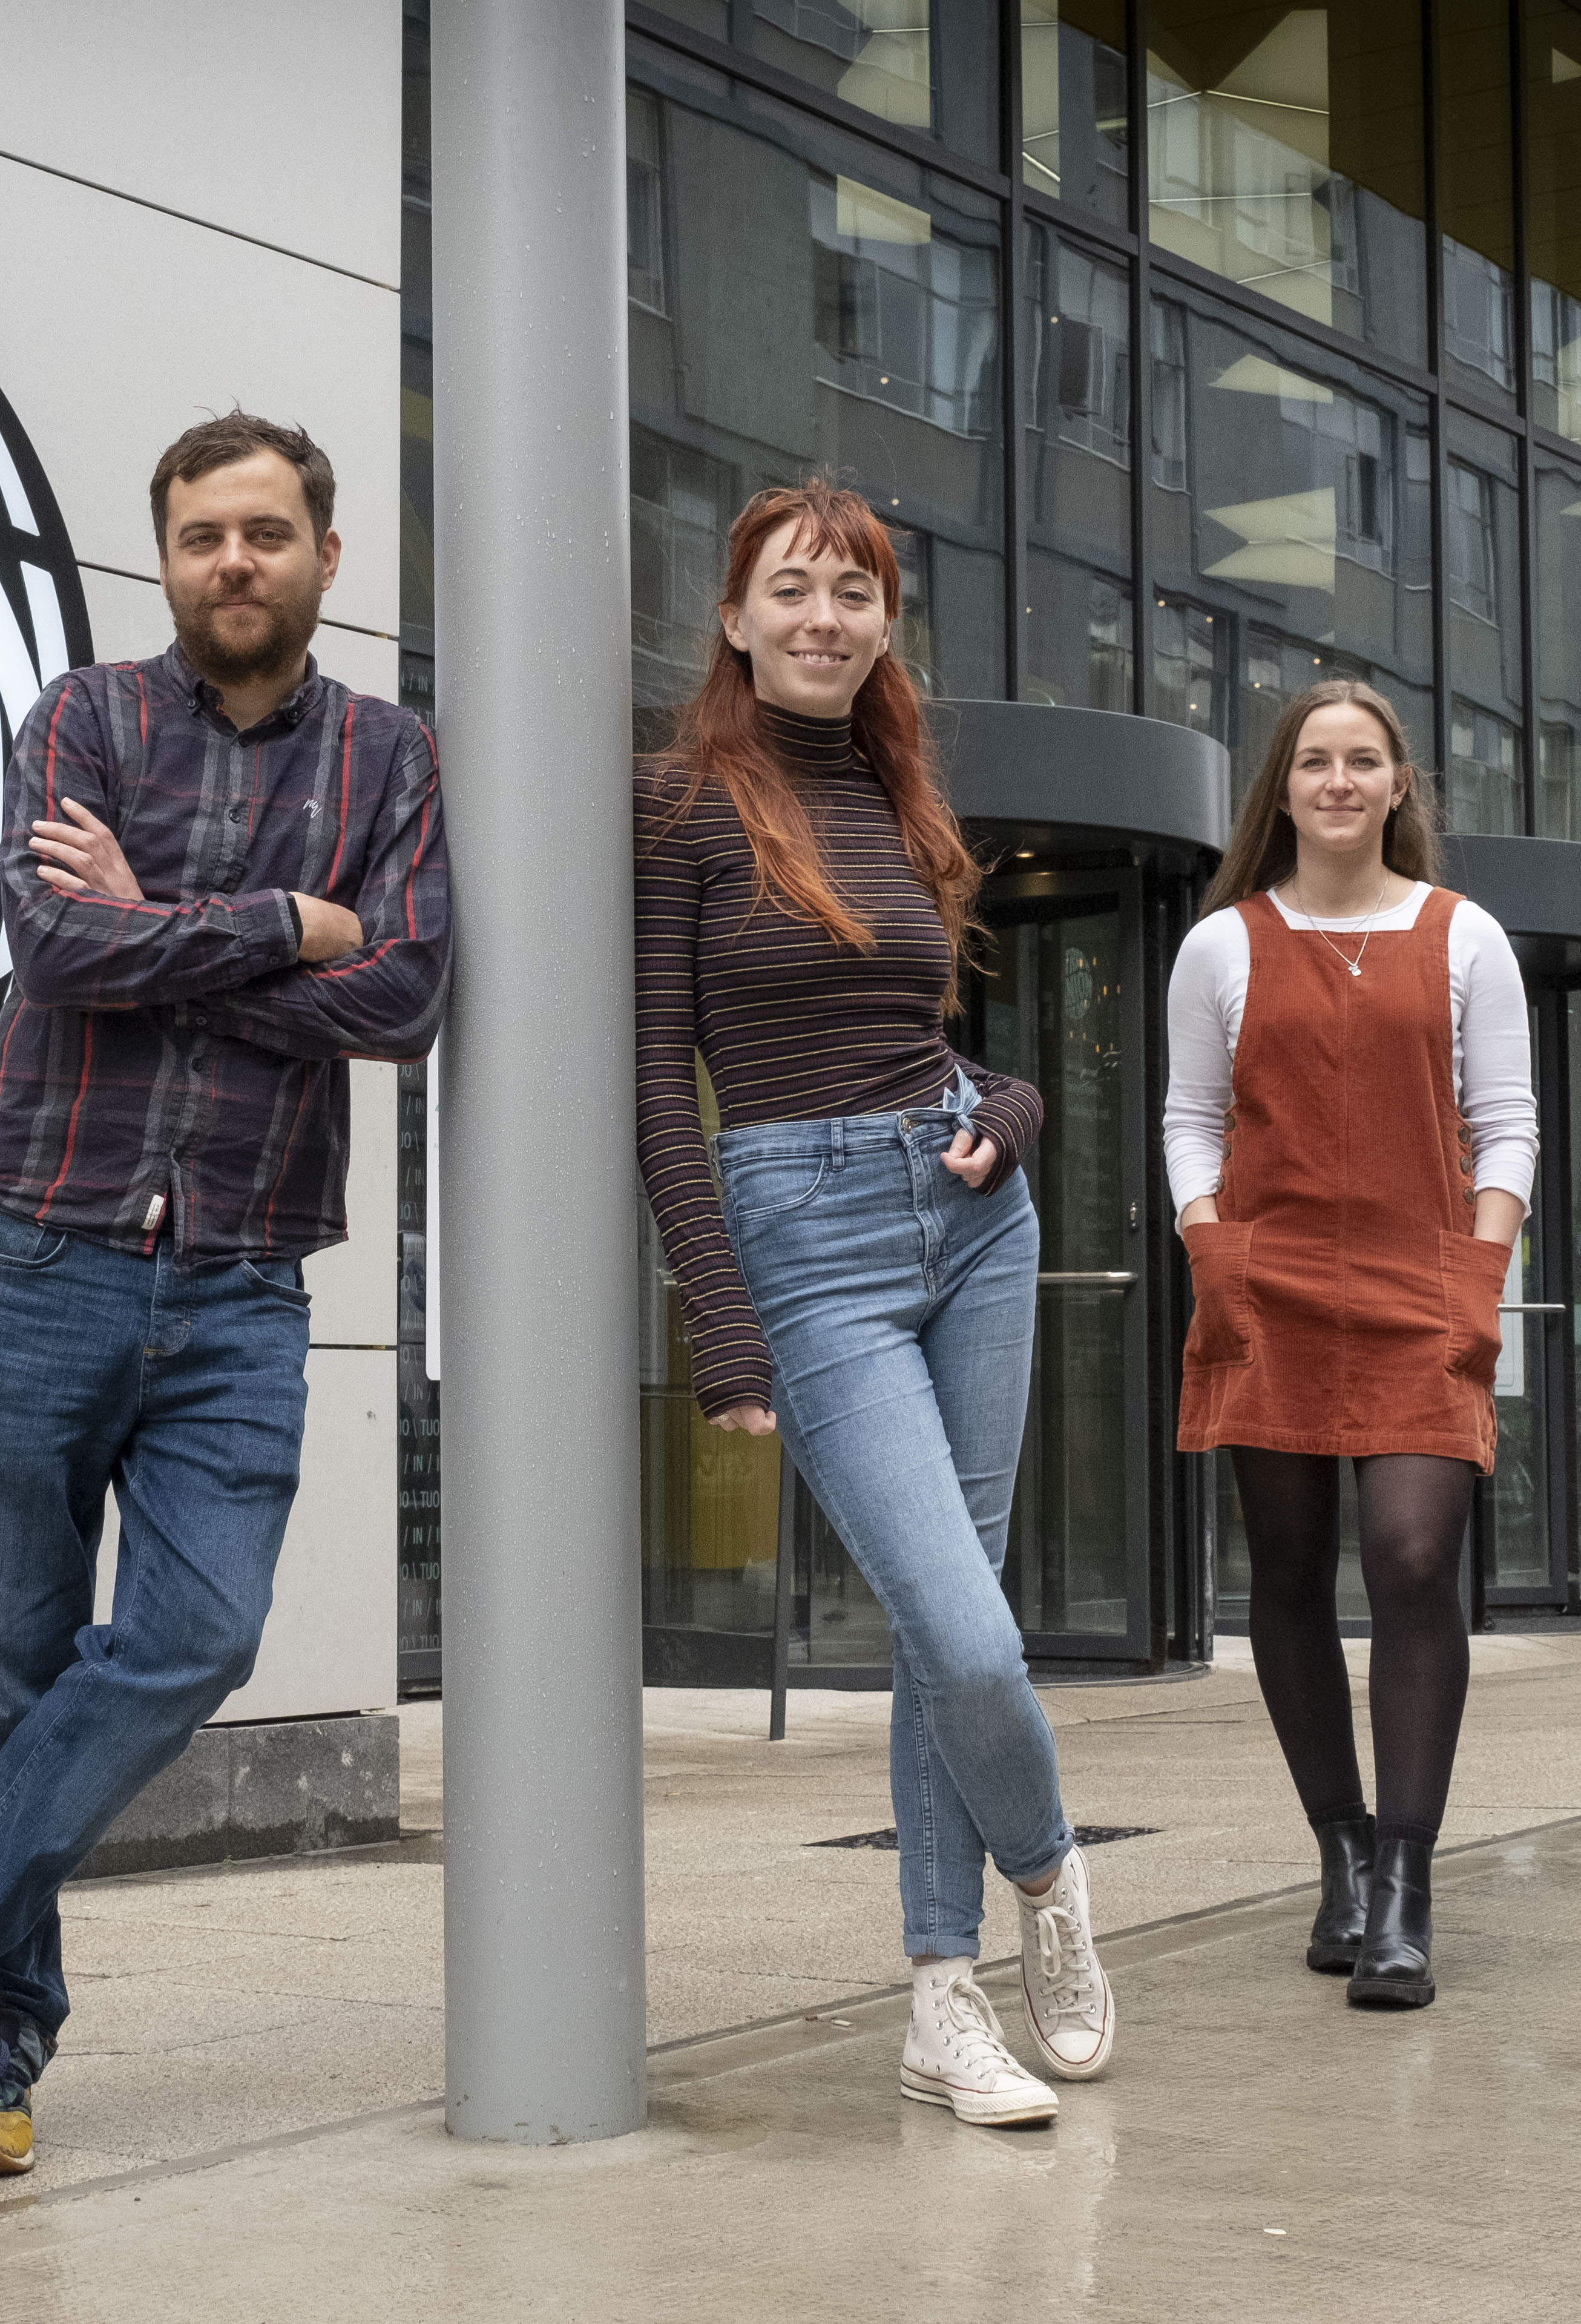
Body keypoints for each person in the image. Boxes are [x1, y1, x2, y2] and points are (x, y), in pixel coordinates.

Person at [0, 413, 452, 2178]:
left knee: (197, 1635)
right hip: (34, 1242)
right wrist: (286, 926)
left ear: (326, 558)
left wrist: (178, 921)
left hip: (244, 1275)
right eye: (199, 538)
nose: (231, 563)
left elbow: (402, 1000)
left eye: (264, 533)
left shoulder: (394, 758)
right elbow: (59, 950)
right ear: (164, 560)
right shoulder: (85, 719)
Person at [636, 479, 1113, 2129]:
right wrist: (719, 1319)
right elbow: (654, 1086)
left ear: (885, 624)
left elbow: (922, 1036)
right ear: (735, 614)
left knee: (945, 1623)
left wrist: (1015, 1104)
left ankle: (939, 1997)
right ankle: (1049, 1880)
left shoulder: (905, 796)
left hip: (972, 1212)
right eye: (794, 589)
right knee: (968, 1634)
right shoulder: (684, 805)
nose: (825, 617)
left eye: (856, 593)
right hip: (804, 1236)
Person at [1164, 679, 1534, 2013]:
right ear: (1286, 787)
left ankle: (1407, 1884)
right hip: (1265, 1278)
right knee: (1287, 1567)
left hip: (1422, 1277)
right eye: (1314, 760)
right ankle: (1339, 1848)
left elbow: (1508, 1123)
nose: (1336, 780)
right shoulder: (1223, 946)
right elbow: (1189, 1118)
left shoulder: (1466, 935)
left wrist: (1482, 1262)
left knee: (1413, 1555)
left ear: (1395, 786)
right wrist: (1211, 1241)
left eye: (1361, 760)